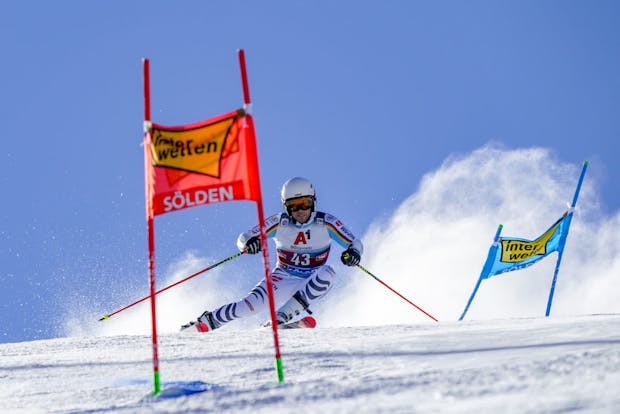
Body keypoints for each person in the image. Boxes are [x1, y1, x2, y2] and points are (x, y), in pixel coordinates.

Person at [182, 177, 363, 332]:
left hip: (311, 280)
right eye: (293, 206)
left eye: (305, 204)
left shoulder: (326, 223)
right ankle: (203, 323)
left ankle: (279, 319)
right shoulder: (279, 222)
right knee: (248, 306)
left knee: (328, 272)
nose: (300, 211)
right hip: (282, 277)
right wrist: (249, 244)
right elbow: (244, 237)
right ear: (286, 207)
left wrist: (353, 253)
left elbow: (355, 243)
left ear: (313, 202)